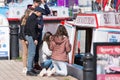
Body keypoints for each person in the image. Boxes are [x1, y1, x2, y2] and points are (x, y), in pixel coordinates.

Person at [24, 7, 43, 76]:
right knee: (31, 53)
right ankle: (29, 70)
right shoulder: (33, 18)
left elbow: (29, 27)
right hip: (31, 37)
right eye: (41, 13)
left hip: (29, 36)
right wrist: (35, 39)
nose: (41, 14)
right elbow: (32, 29)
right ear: (37, 12)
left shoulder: (32, 17)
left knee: (31, 53)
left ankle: (31, 68)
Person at [19, 9, 32, 73]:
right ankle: (24, 67)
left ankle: (26, 66)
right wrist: (25, 39)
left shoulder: (24, 18)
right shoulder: (25, 20)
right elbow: (23, 31)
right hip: (24, 38)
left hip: (23, 37)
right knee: (25, 53)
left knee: (26, 53)